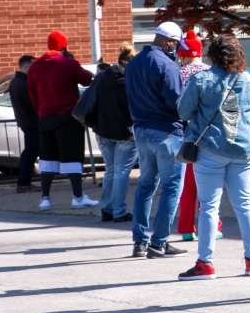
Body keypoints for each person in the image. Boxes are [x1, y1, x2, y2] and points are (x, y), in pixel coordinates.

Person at [175, 34, 250, 280]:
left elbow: (183, 110)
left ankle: (205, 263)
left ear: (212, 55)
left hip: (210, 149)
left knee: (209, 207)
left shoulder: (201, 80)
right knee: (245, 204)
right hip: (243, 151)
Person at [125, 21, 188, 259]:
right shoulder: (167, 65)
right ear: (168, 41)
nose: (176, 48)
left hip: (141, 130)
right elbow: (177, 102)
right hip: (166, 132)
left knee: (145, 185)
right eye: (175, 44)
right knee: (171, 186)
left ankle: (140, 242)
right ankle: (159, 241)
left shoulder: (133, 64)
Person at [25, 31, 97, 211]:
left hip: (45, 117)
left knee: (48, 159)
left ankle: (45, 198)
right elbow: (87, 79)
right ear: (64, 46)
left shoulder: (34, 67)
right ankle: (78, 197)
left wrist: (41, 111)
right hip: (68, 117)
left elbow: (32, 94)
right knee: (72, 157)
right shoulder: (68, 64)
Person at [174, 30, 219, 243]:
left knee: (188, 184)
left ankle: (185, 227)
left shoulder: (177, 73)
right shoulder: (212, 72)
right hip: (210, 135)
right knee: (209, 185)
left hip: (186, 135)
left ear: (182, 54)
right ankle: (212, 227)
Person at [89, 42, 137, 222]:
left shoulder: (103, 77)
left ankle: (107, 208)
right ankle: (119, 210)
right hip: (125, 133)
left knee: (111, 171)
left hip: (103, 130)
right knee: (121, 172)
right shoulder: (130, 82)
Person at [8, 54, 38, 193]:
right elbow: (31, 103)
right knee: (30, 152)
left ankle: (25, 181)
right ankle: (24, 182)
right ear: (26, 66)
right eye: (33, 66)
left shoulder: (16, 81)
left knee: (31, 152)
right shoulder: (22, 83)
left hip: (27, 121)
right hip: (31, 122)